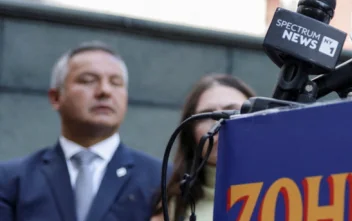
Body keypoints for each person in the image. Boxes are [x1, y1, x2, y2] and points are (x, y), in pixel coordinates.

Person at [0, 42, 163, 221]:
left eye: (116, 83)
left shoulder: (161, 179)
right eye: (88, 81)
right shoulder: (12, 180)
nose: (105, 91)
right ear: (55, 97)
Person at [150, 74, 254, 221]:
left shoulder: (285, 189)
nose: (219, 123)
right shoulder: (172, 205)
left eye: (234, 112)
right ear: (190, 131)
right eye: (206, 116)